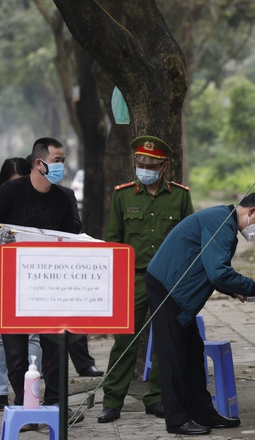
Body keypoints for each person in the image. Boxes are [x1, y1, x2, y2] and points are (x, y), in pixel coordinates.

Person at [145, 192, 255, 436]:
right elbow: (217, 272)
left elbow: (212, 269)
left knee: (194, 353)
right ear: (251, 212)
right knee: (173, 358)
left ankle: (202, 412)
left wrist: (234, 291)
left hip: (178, 291)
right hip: (168, 288)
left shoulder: (223, 221)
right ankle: (176, 420)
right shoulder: (220, 222)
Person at [0, 137, 84, 426]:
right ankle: (26, 406)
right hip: (12, 285)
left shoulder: (64, 198)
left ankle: (56, 405)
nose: (62, 165)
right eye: (58, 160)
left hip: (50, 286)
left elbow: (74, 232)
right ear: (40, 163)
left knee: (55, 346)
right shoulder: (11, 191)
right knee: (15, 350)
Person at [97, 135, 194, 424]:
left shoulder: (180, 196)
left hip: (168, 281)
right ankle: (112, 401)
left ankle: (158, 399)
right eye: (140, 164)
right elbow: (113, 242)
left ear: (164, 166)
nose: (145, 168)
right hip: (134, 280)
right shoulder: (123, 195)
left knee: (165, 341)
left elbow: (189, 239)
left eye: (151, 164)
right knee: (124, 343)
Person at [23, 154, 104, 379]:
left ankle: (84, 364)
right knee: (42, 325)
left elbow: (76, 225)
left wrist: (55, 232)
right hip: (35, 270)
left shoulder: (66, 195)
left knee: (72, 317)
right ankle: (37, 373)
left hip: (63, 266)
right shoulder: (23, 197)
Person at [0, 157, 43, 412]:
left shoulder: (38, 203)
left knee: (32, 334)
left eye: (21, 183)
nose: (16, 189)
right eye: (11, 184)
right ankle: (0, 394)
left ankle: (30, 390)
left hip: (32, 279)